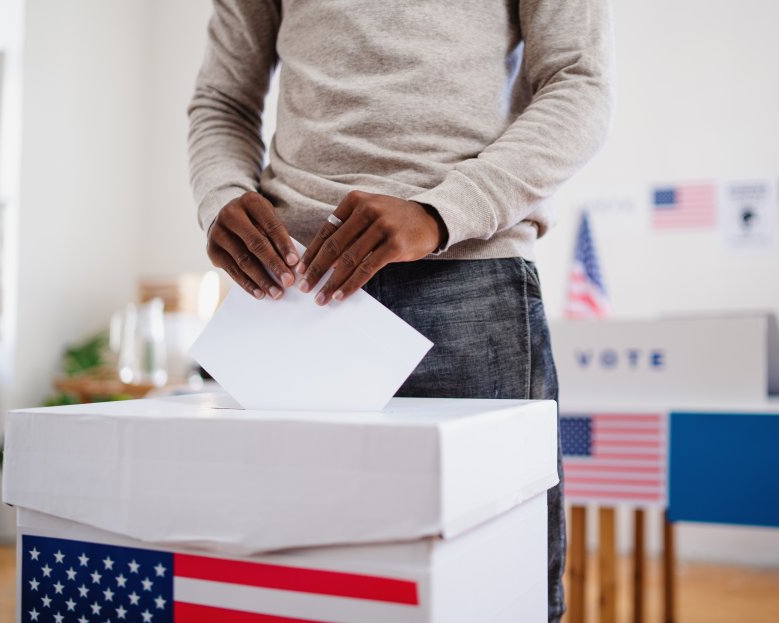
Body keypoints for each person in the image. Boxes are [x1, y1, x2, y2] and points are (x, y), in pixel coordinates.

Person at [187, 1, 613, 620]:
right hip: (293, 290)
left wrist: (443, 211)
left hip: (467, 275)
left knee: (497, 589)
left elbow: (580, 83)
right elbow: (222, 102)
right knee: (295, 584)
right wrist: (221, 195)